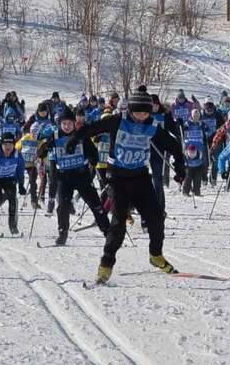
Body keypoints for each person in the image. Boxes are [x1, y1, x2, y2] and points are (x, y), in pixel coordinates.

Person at [75, 89, 188, 284]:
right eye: (138, 113)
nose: (142, 117)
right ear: (131, 110)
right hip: (117, 178)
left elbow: (174, 145)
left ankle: (155, 255)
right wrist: (73, 140)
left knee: (156, 217)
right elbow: (90, 129)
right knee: (118, 224)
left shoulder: (151, 126)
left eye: (146, 113)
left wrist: (180, 167)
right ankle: (105, 265)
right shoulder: (117, 121)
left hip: (140, 177)